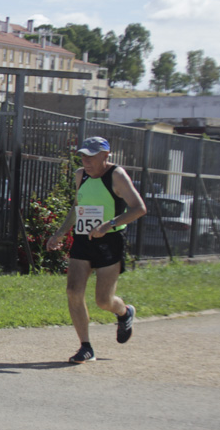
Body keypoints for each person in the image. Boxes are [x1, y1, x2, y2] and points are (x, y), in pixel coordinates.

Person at [47, 137, 146, 363]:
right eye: (83, 156)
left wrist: (108, 224)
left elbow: (139, 208)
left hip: (109, 241)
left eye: (91, 157)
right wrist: (60, 233)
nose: (86, 161)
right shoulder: (80, 175)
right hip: (83, 240)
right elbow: (77, 207)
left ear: (106, 156)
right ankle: (86, 346)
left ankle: (124, 312)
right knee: (73, 291)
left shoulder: (117, 176)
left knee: (103, 300)